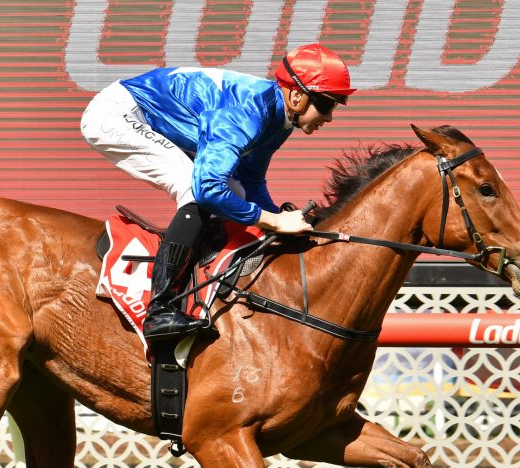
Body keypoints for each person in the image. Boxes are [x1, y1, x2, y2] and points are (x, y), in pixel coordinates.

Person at [81, 44, 355, 341]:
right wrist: (274, 221)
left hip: (152, 117)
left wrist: (277, 217)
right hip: (117, 115)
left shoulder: (281, 118)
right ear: (297, 96)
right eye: (326, 105)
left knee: (235, 191)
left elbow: (250, 180)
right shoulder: (248, 114)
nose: (329, 117)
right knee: (194, 189)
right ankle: (159, 310)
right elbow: (209, 190)